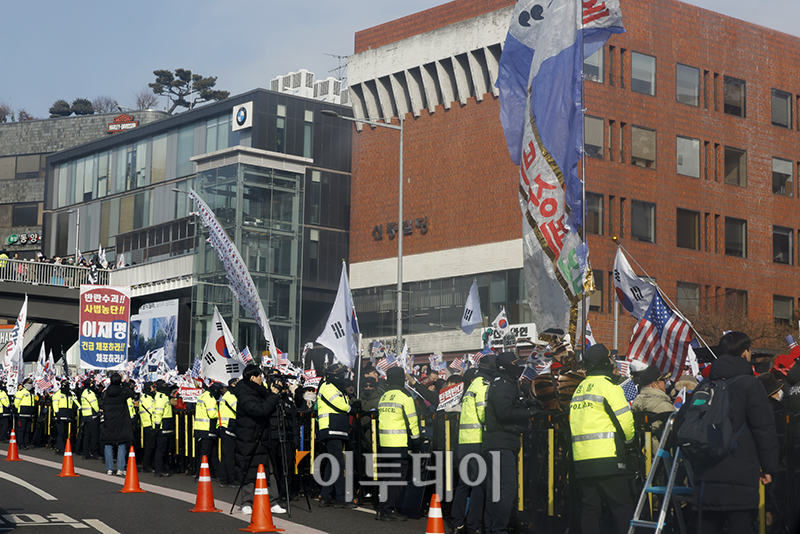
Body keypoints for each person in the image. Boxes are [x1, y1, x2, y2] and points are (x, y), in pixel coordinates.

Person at [690, 331, 778, 534]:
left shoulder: (705, 385)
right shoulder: (751, 385)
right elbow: (763, 429)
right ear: (745, 353)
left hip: (706, 474)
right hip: (742, 474)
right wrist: (769, 468)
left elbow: (686, 423)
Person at [569, 343, 635, 534]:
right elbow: (625, 422)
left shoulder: (579, 389)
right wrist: (630, 442)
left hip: (582, 460)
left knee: (590, 509)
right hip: (608, 459)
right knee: (622, 506)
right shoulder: (608, 387)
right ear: (605, 362)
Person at [482, 352, 540, 534]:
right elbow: (504, 412)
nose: (519, 368)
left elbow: (509, 406)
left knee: (497, 490)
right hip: (500, 443)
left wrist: (525, 403)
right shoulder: (502, 384)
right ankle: (498, 529)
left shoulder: (506, 382)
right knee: (506, 488)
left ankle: (492, 528)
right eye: (516, 365)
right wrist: (530, 412)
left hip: (501, 442)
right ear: (506, 367)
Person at [451, 353, 494, 534]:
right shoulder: (483, 386)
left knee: (463, 484)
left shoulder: (471, 386)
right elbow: (483, 412)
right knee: (478, 485)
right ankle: (473, 525)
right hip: (478, 441)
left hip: (465, 442)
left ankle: (457, 522)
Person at [234, 364, 285, 515]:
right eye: (260, 376)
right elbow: (260, 410)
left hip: (263, 436)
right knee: (249, 469)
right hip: (248, 438)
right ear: (252, 377)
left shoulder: (260, 392)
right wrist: (273, 395)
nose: (262, 378)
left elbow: (269, 407)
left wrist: (275, 394)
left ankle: (273, 501)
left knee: (268, 470)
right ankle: (246, 502)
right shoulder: (244, 393)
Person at [375, 367, 422, 521]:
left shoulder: (384, 396)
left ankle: (382, 508)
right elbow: (412, 421)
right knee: (397, 480)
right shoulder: (405, 397)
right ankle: (387, 510)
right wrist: (416, 441)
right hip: (399, 443)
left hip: (384, 443)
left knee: (387, 477)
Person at [316, 363, 359, 508]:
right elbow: (339, 405)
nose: (343, 378)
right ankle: (341, 498)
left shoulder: (335, 388)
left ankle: (326, 495)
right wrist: (352, 409)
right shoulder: (327, 387)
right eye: (341, 375)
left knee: (332, 463)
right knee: (338, 463)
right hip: (330, 428)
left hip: (337, 429)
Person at [100, 373, 134, 475]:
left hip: (109, 420)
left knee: (108, 443)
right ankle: (120, 468)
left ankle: (109, 468)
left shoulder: (106, 392)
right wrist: (124, 383)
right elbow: (132, 393)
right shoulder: (123, 392)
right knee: (121, 444)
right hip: (121, 420)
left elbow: (101, 403)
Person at [194, 382, 222, 478]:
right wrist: (221, 412)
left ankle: (218, 473)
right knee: (205, 454)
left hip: (200, 428)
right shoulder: (210, 398)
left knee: (213, 453)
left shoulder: (202, 396)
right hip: (207, 429)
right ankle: (200, 474)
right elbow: (212, 414)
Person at [152, 379, 175, 477]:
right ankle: (159, 470)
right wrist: (157, 426)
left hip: (166, 427)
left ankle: (162, 468)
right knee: (161, 450)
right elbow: (159, 412)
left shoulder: (163, 396)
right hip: (162, 427)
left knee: (164, 449)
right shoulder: (161, 397)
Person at [218, 378, 238, 488]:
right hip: (228, 428)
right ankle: (231, 479)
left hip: (225, 428)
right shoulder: (230, 396)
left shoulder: (227, 395)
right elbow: (238, 409)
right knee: (229, 456)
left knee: (225, 456)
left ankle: (224, 479)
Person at [53, 381, 78, 454]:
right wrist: (56, 413)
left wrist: (79, 408)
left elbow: (75, 401)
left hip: (68, 415)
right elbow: (55, 404)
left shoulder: (70, 394)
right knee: (61, 432)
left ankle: (65, 447)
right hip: (60, 415)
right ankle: (59, 448)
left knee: (66, 432)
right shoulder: (57, 394)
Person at [80, 380, 101, 459]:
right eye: (92, 383)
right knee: (94, 435)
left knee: (87, 436)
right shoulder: (89, 393)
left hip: (86, 416)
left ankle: (86, 453)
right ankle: (94, 453)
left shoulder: (84, 392)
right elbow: (94, 404)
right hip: (91, 416)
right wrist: (98, 411)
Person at [138, 382, 156, 473]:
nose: (154, 389)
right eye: (152, 387)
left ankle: (148, 464)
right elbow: (153, 411)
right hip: (149, 425)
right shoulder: (146, 399)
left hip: (147, 424)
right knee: (149, 447)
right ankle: (147, 466)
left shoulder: (146, 397)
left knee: (150, 446)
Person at [14, 378, 35, 449]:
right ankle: (20, 443)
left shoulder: (32, 392)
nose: (30, 385)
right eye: (28, 383)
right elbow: (16, 403)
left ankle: (26, 443)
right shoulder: (21, 392)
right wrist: (20, 409)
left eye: (31, 383)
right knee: (21, 429)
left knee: (27, 430)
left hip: (30, 414)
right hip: (22, 413)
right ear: (25, 384)